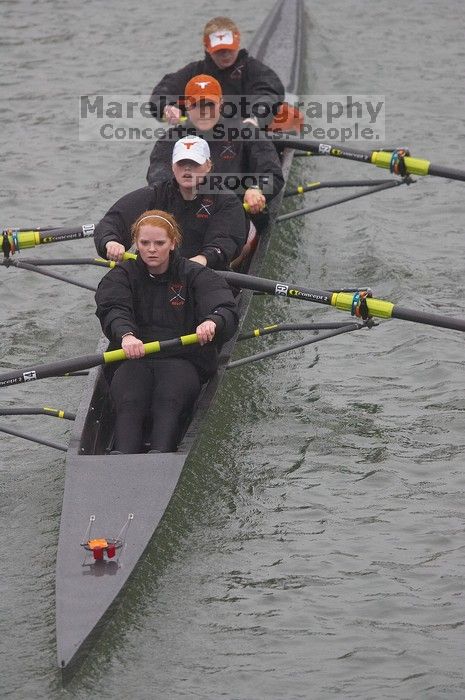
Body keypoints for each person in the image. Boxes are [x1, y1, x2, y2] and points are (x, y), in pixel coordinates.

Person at [95, 209, 238, 454]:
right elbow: (113, 309)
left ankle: (161, 456)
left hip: (182, 359)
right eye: (145, 243)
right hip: (134, 358)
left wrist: (212, 322)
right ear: (136, 244)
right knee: (129, 402)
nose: (152, 249)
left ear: (173, 243)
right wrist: (126, 335)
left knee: (167, 402)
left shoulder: (195, 274)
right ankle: (120, 458)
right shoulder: (121, 277)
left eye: (159, 243)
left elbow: (223, 305)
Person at [95, 135, 246, 269]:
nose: (187, 168)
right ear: (173, 167)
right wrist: (111, 242)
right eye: (181, 163)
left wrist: (204, 259)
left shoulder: (226, 201)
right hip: (154, 273)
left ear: (208, 166)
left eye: (194, 163)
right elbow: (112, 222)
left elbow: (226, 240)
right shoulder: (155, 195)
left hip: (205, 273)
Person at [146, 74, 284, 219]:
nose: (204, 111)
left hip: (237, 215)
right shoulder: (169, 141)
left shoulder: (246, 131)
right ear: (186, 105)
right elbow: (158, 180)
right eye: (196, 105)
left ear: (221, 103)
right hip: (186, 217)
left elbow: (273, 174)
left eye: (210, 104)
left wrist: (257, 190)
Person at [149, 16, 284, 128]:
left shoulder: (254, 70)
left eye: (229, 49)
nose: (225, 55)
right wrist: (166, 108)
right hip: (205, 139)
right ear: (207, 48)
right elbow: (162, 92)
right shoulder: (194, 72)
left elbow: (270, 93)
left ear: (238, 44)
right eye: (219, 51)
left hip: (246, 135)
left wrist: (256, 118)